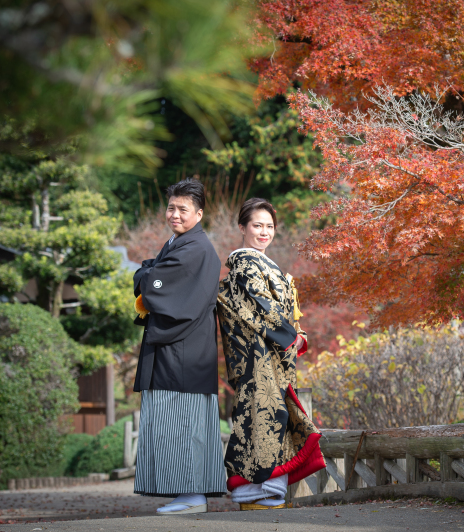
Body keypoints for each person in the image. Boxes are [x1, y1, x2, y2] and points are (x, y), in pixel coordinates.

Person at [218, 198, 326, 511]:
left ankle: (264, 495)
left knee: (275, 419)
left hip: (269, 355)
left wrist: (296, 334)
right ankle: (257, 494)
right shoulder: (244, 265)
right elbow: (261, 308)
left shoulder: (262, 264)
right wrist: (292, 337)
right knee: (266, 417)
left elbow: (281, 310)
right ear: (242, 227)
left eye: (269, 227)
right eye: (257, 225)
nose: (264, 232)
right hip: (257, 356)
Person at [131, 178, 226, 515]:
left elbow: (154, 283)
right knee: (178, 421)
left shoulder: (196, 248)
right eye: (171, 207)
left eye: (183, 209)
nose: (174, 214)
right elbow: (154, 277)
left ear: (198, 214)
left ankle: (192, 493)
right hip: (181, 349)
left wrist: (146, 273)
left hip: (184, 353)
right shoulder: (180, 244)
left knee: (184, 421)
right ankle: (187, 492)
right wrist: (149, 272)